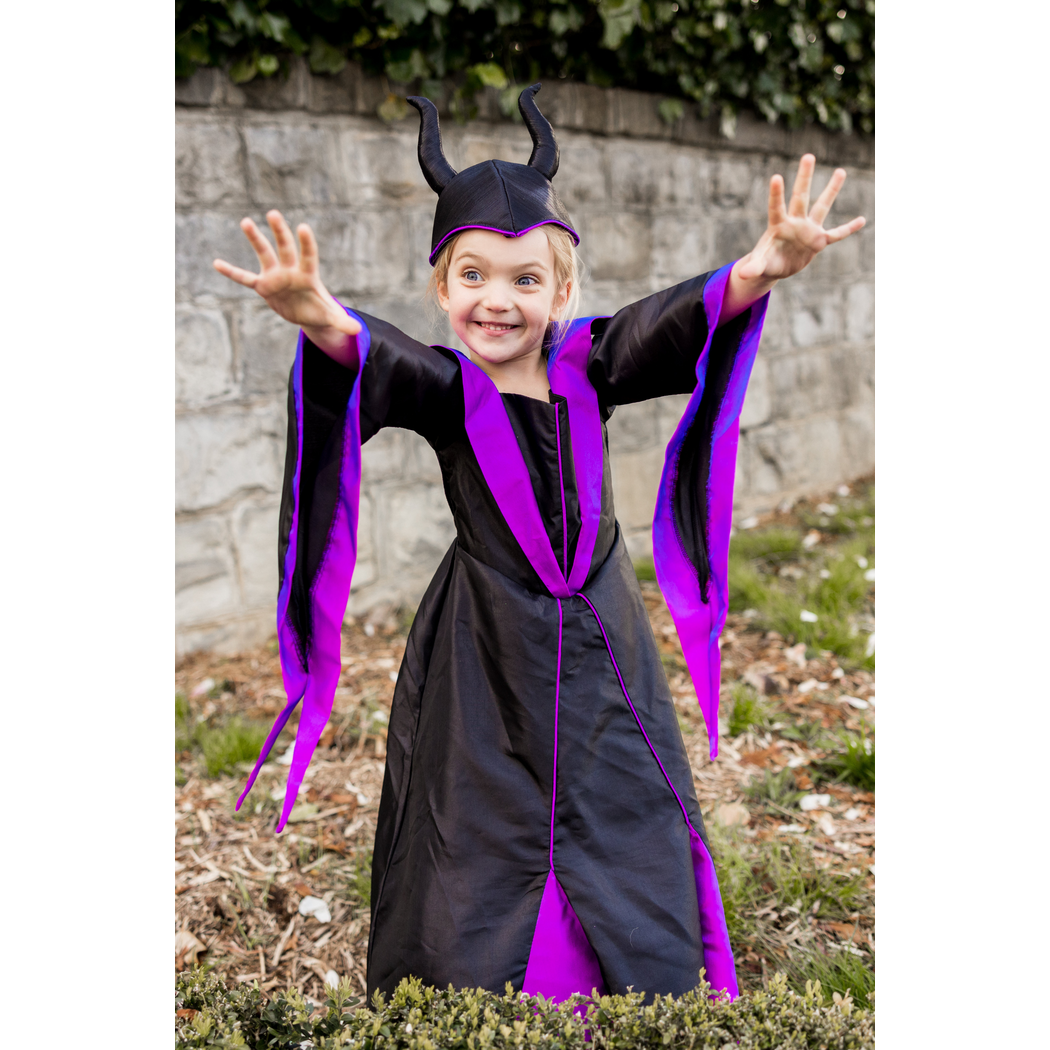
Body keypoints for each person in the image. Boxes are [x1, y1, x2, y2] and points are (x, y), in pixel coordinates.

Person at [213, 84, 864, 1004]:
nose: (498, 299)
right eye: (473, 276)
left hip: (603, 638)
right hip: (485, 646)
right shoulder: (450, 390)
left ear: (561, 291)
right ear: (443, 289)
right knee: (479, 819)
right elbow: (382, 359)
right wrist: (321, 317)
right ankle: (476, 998)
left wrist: (761, 266)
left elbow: (669, 321)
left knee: (622, 797)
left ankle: (639, 988)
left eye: (526, 280)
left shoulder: (591, 363)